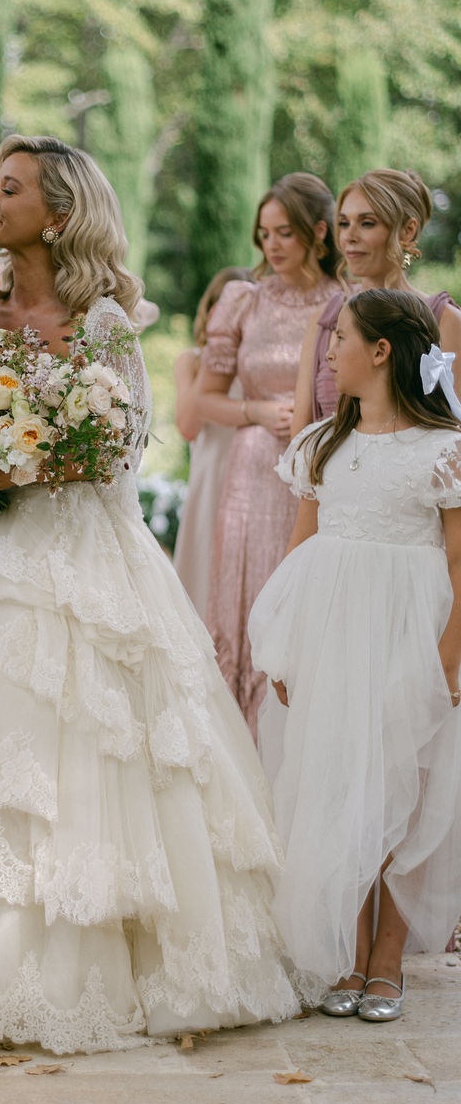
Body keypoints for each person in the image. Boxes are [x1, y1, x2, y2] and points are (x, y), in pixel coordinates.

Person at [0, 136, 299, 1054]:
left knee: (78, 745)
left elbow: (125, 447)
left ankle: (76, 969)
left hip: (78, 557)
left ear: (56, 213)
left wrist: (19, 455)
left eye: (7, 188)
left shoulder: (104, 324)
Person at [249, 289, 461, 1021]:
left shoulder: (444, 452)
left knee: (406, 785)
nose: (327, 351)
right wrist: (283, 642)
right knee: (340, 782)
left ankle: (387, 956)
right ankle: (343, 943)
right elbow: (301, 548)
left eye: (341, 338)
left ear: (380, 351)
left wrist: (449, 657)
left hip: (410, 631)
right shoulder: (321, 445)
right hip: (334, 633)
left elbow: (460, 562)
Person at [195, 174, 343, 739]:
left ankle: (296, 739)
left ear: (319, 232)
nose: (272, 245)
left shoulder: (345, 303)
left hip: (316, 472)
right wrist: (256, 413)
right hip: (251, 470)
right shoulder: (243, 300)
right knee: (242, 596)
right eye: (264, 234)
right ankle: (234, 742)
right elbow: (206, 399)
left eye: (285, 232)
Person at [292, 168, 461, 435]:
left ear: (407, 230)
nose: (349, 236)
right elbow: (300, 430)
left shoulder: (445, 320)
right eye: (344, 223)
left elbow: (456, 434)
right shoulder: (324, 320)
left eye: (367, 223)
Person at [171, 266, 253, 615]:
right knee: (200, 579)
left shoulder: (258, 364)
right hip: (210, 483)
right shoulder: (191, 361)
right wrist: (218, 355)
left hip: (250, 479)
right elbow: (188, 426)